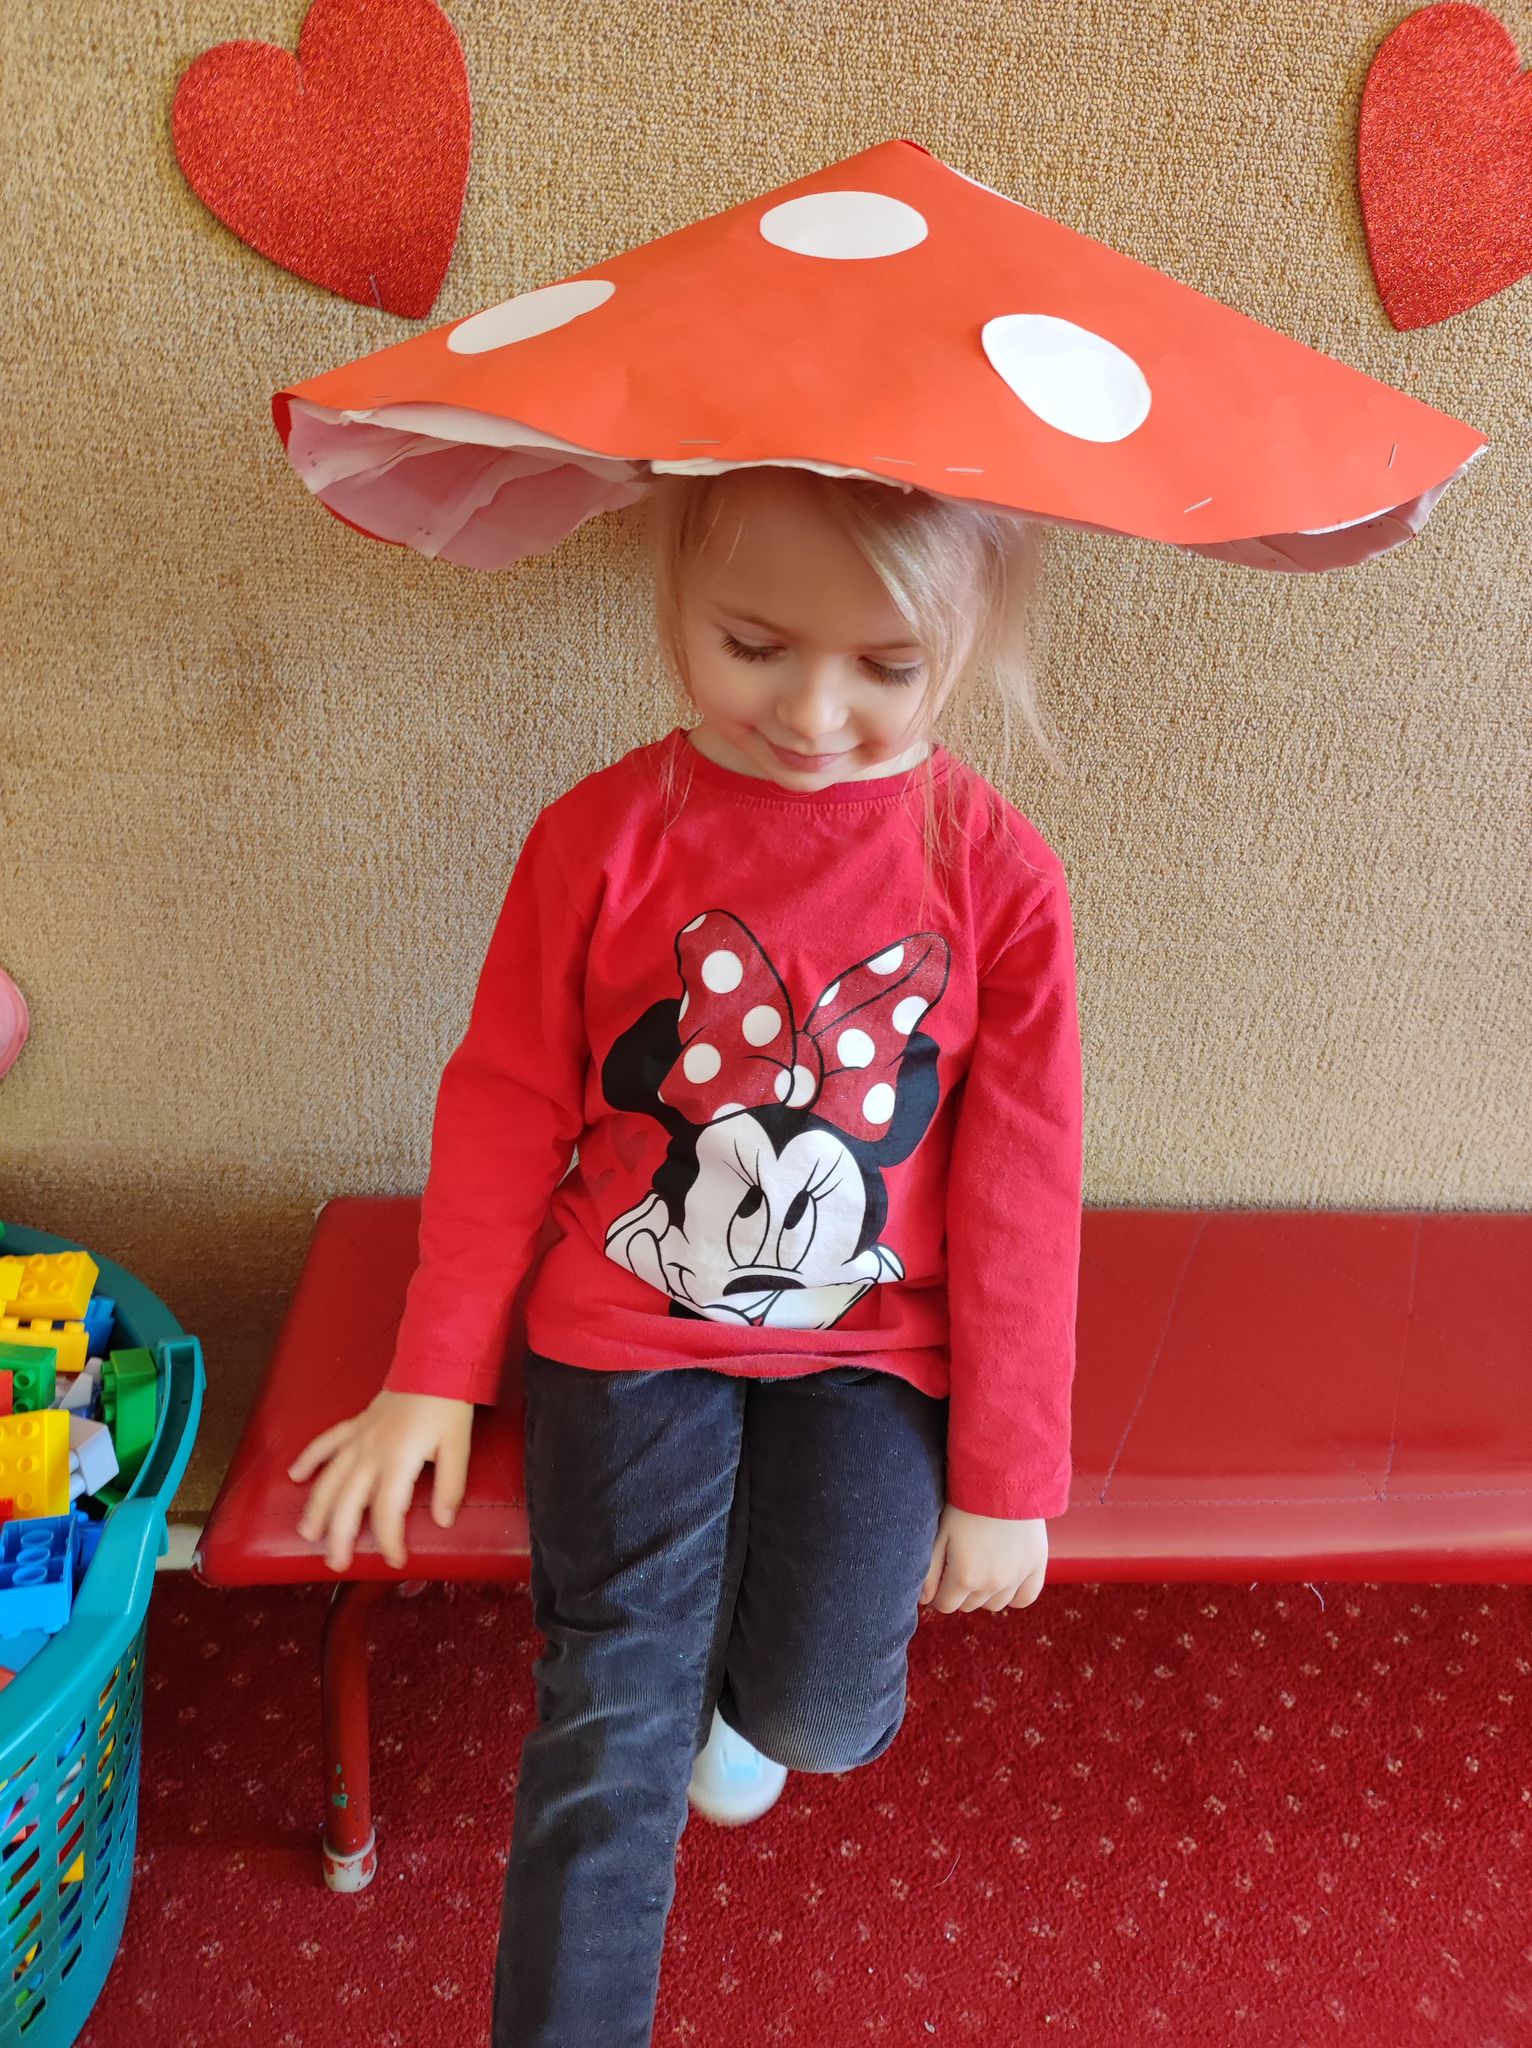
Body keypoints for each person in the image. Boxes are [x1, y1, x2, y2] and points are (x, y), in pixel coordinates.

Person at [287, 458, 1085, 2047]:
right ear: (674, 604)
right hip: (625, 1329)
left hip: (873, 1346)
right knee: (611, 1715)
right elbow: (507, 1103)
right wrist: (435, 1370)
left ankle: (741, 1697)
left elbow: (1022, 1184)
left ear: (970, 646)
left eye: (886, 666)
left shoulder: (999, 877)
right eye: (753, 646)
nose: (813, 712)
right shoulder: (598, 838)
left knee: (823, 1714)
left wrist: (1010, 1471)